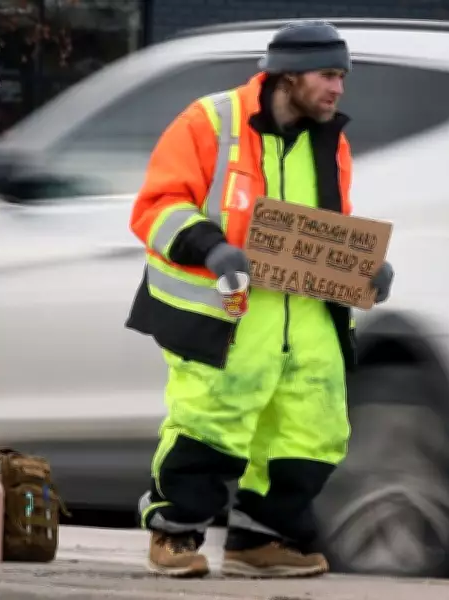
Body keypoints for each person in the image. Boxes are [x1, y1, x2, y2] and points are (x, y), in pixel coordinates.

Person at [125, 20, 394, 579]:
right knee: (211, 421)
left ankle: (261, 542)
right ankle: (174, 533)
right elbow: (157, 205)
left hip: (308, 316)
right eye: (328, 75)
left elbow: (325, 230)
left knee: (312, 429)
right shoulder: (210, 121)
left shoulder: (332, 141)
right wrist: (211, 247)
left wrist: (364, 269)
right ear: (287, 75)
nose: (338, 89)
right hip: (228, 313)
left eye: (342, 76)